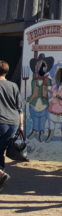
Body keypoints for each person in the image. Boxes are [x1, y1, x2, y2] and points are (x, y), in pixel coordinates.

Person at [0, 60, 22, 191]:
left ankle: (2, 174)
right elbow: (19, 107)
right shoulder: (13, 86)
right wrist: (21, 125)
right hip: (13, 122)